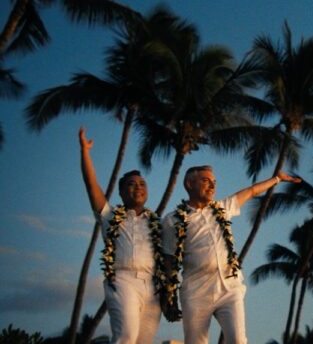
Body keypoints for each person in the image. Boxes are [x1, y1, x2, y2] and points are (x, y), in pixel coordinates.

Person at [161, 165, 300, 344]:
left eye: (214, 182)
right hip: (196, 292)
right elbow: (168, 260)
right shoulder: (173, 220)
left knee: (238, 341)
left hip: (229, 288)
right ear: (189, 184)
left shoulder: (222, 208)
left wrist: (277, 179)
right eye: (206, 181)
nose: (212, 186)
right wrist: (168, 297)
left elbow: (251, 192)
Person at [79, 127, 164, 344]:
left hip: (153, 287)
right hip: (122, 280)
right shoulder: (110, 217)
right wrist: (85, 152)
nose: (138, 187)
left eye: (142, 184)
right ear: (121, 192)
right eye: (132, 184)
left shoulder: (159, 224)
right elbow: (91, 187)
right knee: (126, 336)